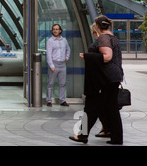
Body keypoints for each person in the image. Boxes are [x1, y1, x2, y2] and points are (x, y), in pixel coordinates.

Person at [70, 16, 124, 145]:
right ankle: (115, 137)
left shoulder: (103, 38)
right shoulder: (113, 37)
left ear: (98, 27)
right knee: (110, 108)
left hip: (104, 77)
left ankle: (82, 135)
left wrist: (88, 56)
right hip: (113, 76)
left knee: (91, 106)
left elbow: (107, 56)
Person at [46, 24, 71, 107]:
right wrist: (51, 65)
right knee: (50, 83)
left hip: (63, 65)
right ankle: (49, 100)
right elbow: (48, 54)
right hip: (54, 64)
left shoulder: (64, 40)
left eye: (57, 29)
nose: (55, 31)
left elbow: (68, 49)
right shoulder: (50, 41)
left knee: (62, 83)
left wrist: (67, 57)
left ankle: (62, 100)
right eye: (54, 29)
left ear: (60, 30)